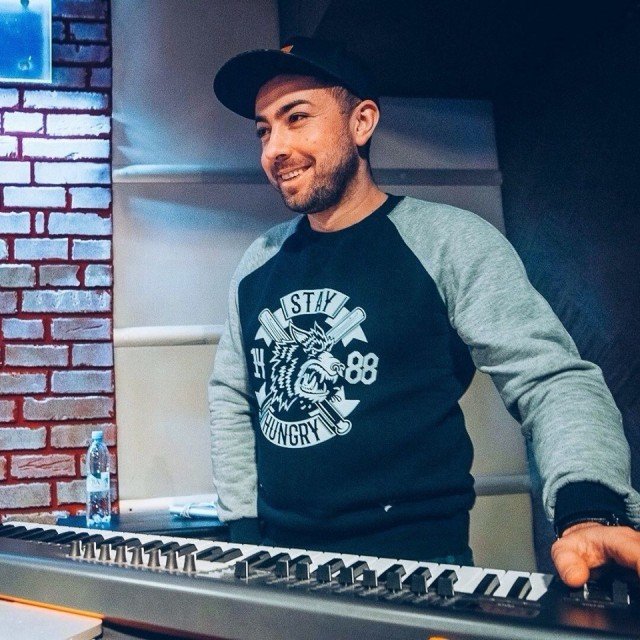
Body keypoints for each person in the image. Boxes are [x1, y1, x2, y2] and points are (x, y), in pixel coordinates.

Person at [209, 36, 640, 586]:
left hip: (415, 573)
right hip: (281, 570)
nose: (275, 148)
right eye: (264, 131)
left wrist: (589, 509)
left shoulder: (448, 242)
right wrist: (244, 533)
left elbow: (550, 379)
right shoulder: (259, 261)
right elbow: (233, 395)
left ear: (362, 122)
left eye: (296, 118)